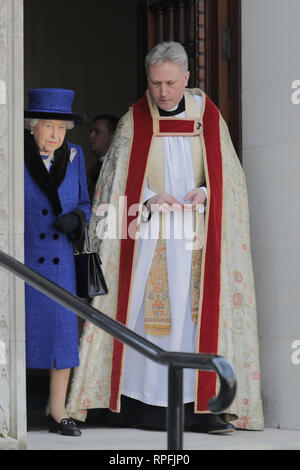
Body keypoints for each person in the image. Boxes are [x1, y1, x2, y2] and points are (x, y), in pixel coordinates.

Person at [67, 42, 264, 433]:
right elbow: (112, 186)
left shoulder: (207, 115)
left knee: (193, 321)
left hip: (195, 238)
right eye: (155, 83)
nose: (162, 92)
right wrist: (145, 197)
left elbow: (232, 180)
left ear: (187, 78)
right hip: (147, 239)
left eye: (170, 83)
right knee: (143, 318)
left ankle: (201, 409)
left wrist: (206, 193)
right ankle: (138, 407)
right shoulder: (134, 120)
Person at [24, 88, 91, 436]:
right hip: (22, 260)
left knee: (62, 338)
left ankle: (58, 410)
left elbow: (84, 202)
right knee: (18, 336)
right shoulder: (13, 152)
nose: (55, 135)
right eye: (48, 126)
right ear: (32, 125)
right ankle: (11, 406)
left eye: (62, 128)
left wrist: (78, 219)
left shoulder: (75, 156)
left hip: (60, 263)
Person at [87, 114, 119, 201]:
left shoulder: (120, 168)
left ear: (113, 137)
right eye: (91, 132)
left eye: (97, 132)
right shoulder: (94, 169)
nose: (91, 136)